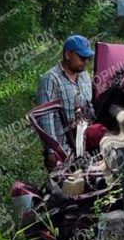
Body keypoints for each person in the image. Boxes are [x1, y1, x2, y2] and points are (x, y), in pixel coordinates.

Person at [36, 35, 96, 170]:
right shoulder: (50, 80)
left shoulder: (85, 77)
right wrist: (52, 151)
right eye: (82, 57)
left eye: (88, 58)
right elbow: (46, 118)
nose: (86, 61)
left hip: (85, 149)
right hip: (63, 152)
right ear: (68, 54)